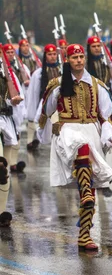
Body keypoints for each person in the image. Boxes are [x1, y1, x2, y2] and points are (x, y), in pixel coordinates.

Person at [38, 43, 112, 251]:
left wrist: (108, 131)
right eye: (74, 58)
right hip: (68, 130)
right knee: (81, 149)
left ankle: (84, 235)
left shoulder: (96, 84)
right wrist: (46, 127)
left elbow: (106, 112)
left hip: (90, 129)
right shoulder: (57, 83)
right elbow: (46, 110)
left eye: (81, 57)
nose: (79, 60)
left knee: (90, 184)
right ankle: (86, 193)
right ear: (68, 61)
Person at [0, 56, 25, 228]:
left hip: (5, 119)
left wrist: (13, 101)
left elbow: (14, 95)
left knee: (4, 167)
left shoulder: (6, 71)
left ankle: (0, 211)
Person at [25, 44, 61, 151]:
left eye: (54, 54)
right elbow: (34, 93)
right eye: (50, 54)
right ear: (45, 56)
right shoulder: (38, 74)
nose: (53, 57)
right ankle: (31, 141)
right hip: (45, 102)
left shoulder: (62, 70)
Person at [2, 43, 28, 173]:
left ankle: (10, 165)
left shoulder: (9, 72)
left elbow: (17, 92)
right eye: (8, 53)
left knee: (12, 139)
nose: (11, 55)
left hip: (6, 113)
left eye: (13, 52)